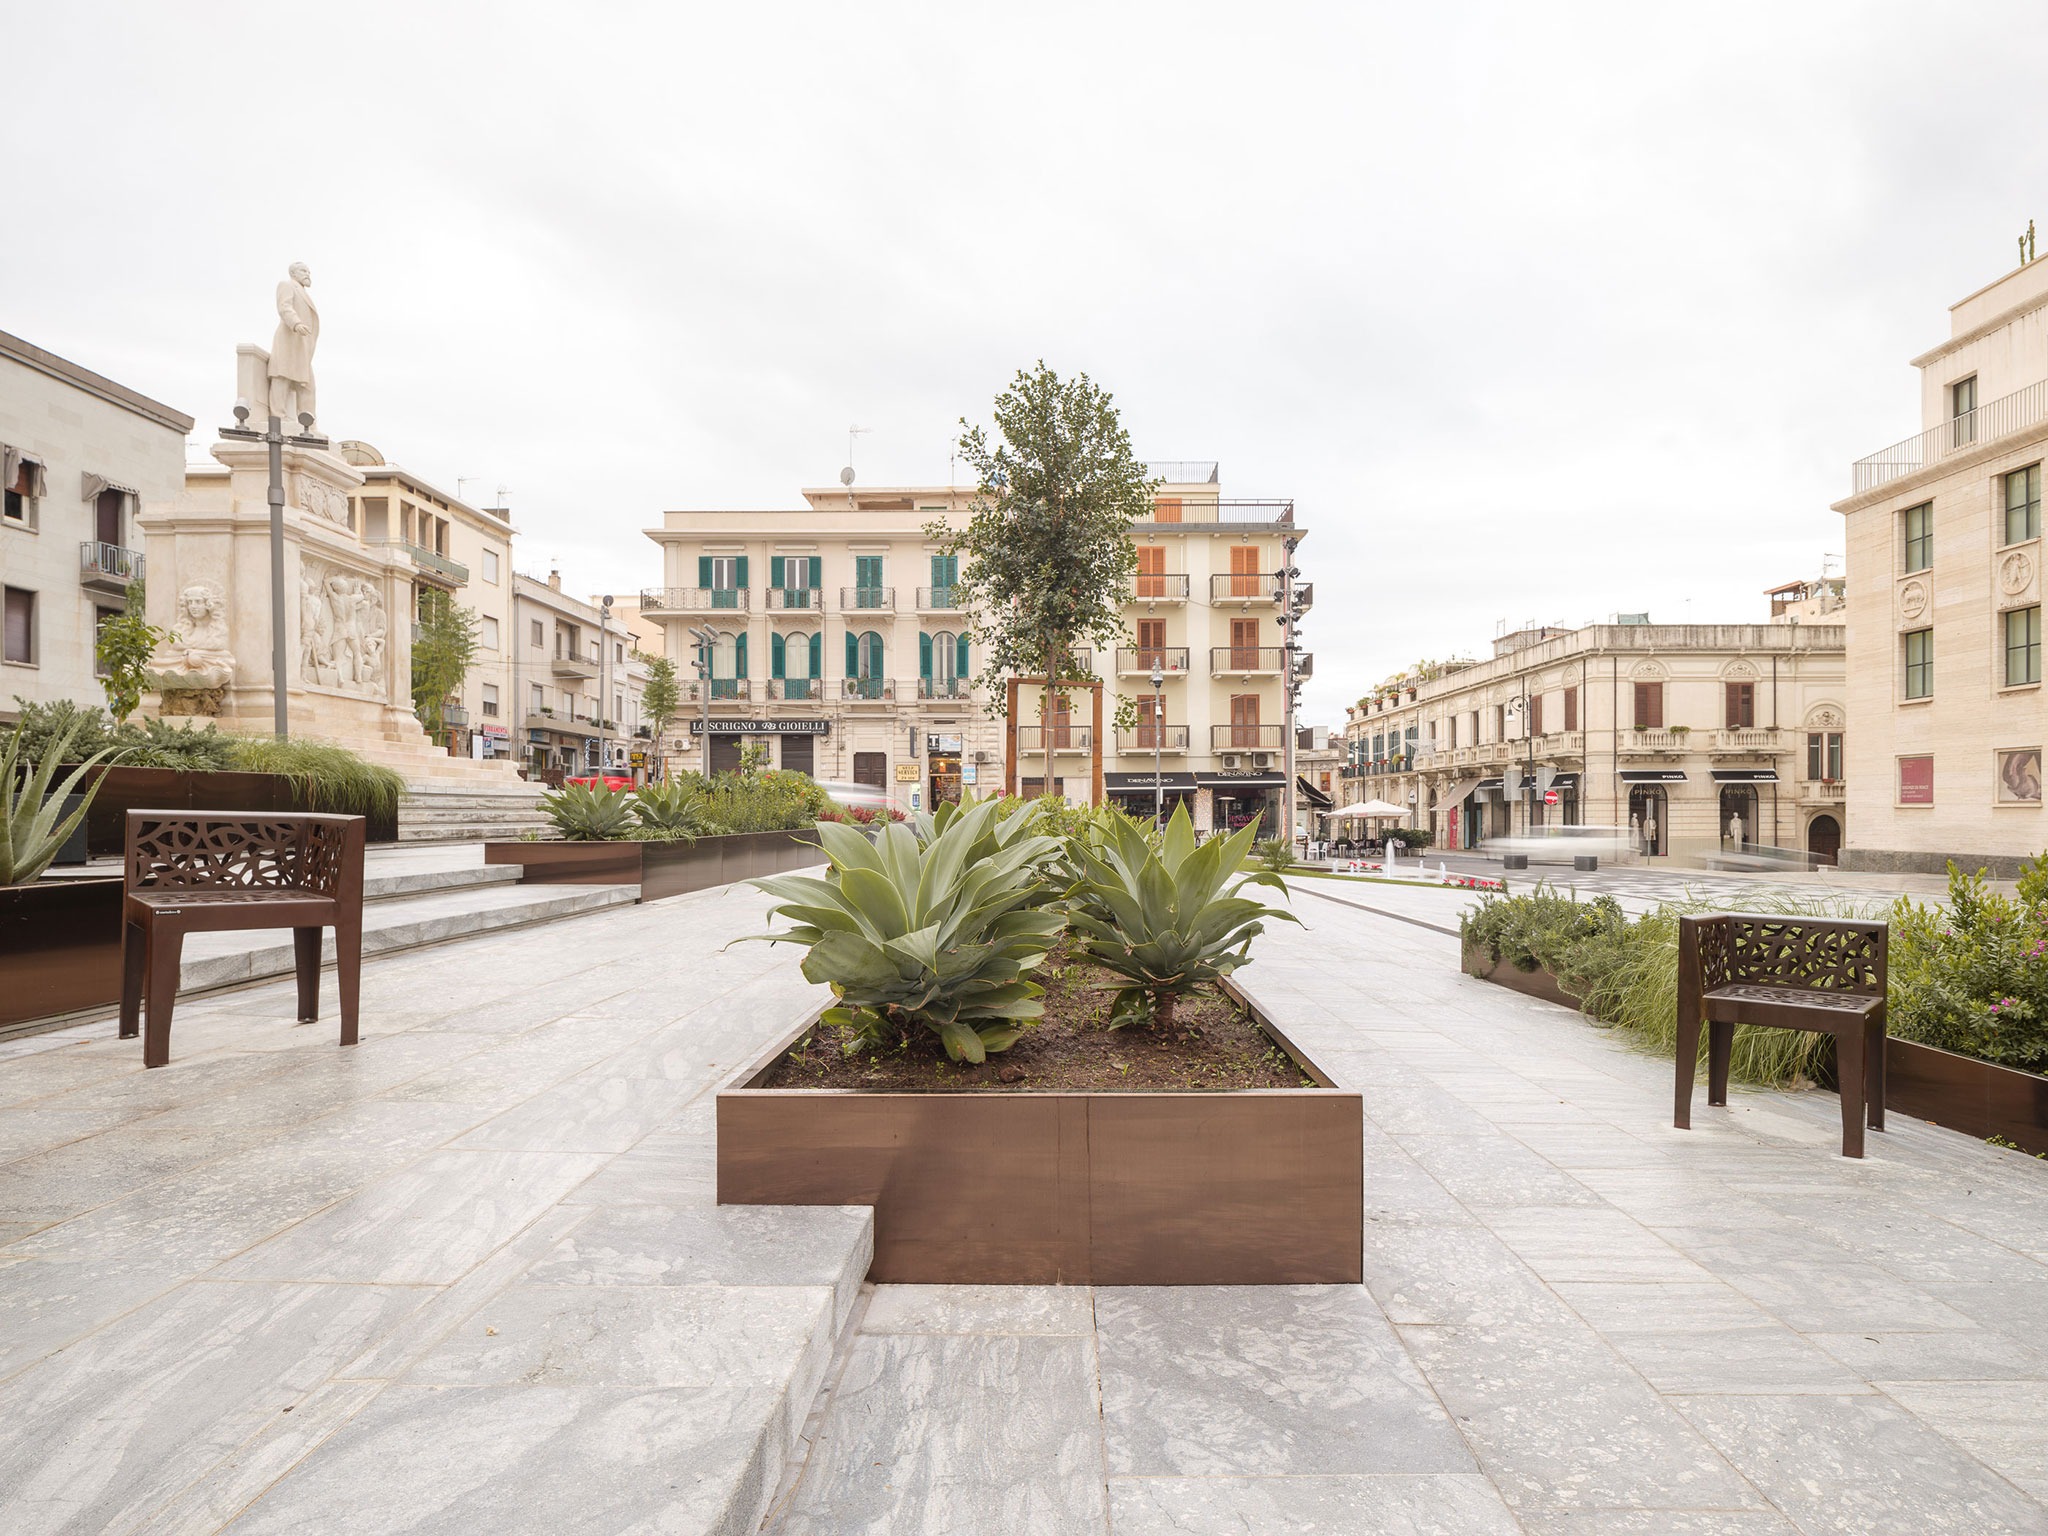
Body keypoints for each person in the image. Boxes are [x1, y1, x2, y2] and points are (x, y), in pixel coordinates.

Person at [268, 262, 319, 427]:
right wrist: (296, 323)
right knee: (282, 377)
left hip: (301, 346)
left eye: (308, 271)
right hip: (289, 340)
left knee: (308, 385)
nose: (308, 274)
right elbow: (284, 307)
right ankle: (278, 417)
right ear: (293, 273)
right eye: (304, 270)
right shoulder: (287, 285)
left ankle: (308, 423)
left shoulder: (303, 292)